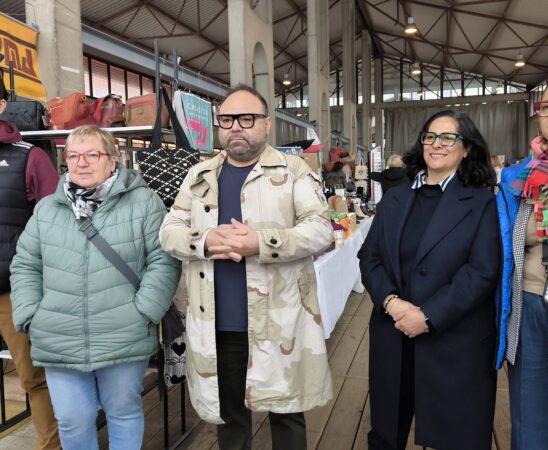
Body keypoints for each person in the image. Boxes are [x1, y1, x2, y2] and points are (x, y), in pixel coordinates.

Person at [159, 84, 333, 450]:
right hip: (218, 324)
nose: (235, 126)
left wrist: (262, 242)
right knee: (231, 421)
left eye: (247, 118)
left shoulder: (293, 170)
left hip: (280, 322)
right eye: (226, 119)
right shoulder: (200, 175)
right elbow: (169, 232)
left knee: (287, 414)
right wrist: (205, 241)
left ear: (267, 124)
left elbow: (320, 229)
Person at [9, 125, 181, 450]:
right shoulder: (47, 209)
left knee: (123, 412)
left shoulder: (143, 202)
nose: (81, 162)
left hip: (123, 331)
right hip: (59, 334)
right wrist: (31, 314)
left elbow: (164, 260)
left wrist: (144, 311)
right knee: (72, 418)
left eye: (92, 154)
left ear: (113, 160)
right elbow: (25, 264)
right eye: (73, 155)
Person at [358, 110, 500, 450]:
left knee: (455, 436)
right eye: (430, 136)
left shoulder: (481, 202)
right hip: (394, 334)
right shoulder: (396, 197)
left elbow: (481, 271)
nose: (437, 144)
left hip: (453, 338)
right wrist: (391, 303)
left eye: (448, 137)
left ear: (466, 148)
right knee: (385, 433)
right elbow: (369, 257)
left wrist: (428, 315)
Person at [0, 79, 61, 449]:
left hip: (12, 289)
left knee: (32, 377)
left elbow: (57, 224)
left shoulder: (29, 157)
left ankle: (50, 444)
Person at [495, 87, 548, 450]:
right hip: (530, 299)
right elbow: (505, 240)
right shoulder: (517, 178)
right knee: (529, 412)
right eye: (546, 108)